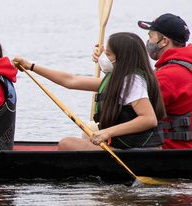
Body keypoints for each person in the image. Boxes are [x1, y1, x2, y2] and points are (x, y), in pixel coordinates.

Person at [13, 31, 164, 150]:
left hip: (136, 151)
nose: (103, 57)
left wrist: (107, 132)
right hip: (126, 147)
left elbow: (148, 119)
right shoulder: (120, 79)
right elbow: (70, 81)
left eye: (108, 54)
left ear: (121, 58)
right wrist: (31, 66)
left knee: (67, 144)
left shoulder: (132, 82)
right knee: (83, 136)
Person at [138, 13, 192, 149]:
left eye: (151, 36)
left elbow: (131, 106)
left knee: (77, 143)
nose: (148, 42)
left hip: (174, 152)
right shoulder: (185, 65)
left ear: (164, 41)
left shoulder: (168, 76)